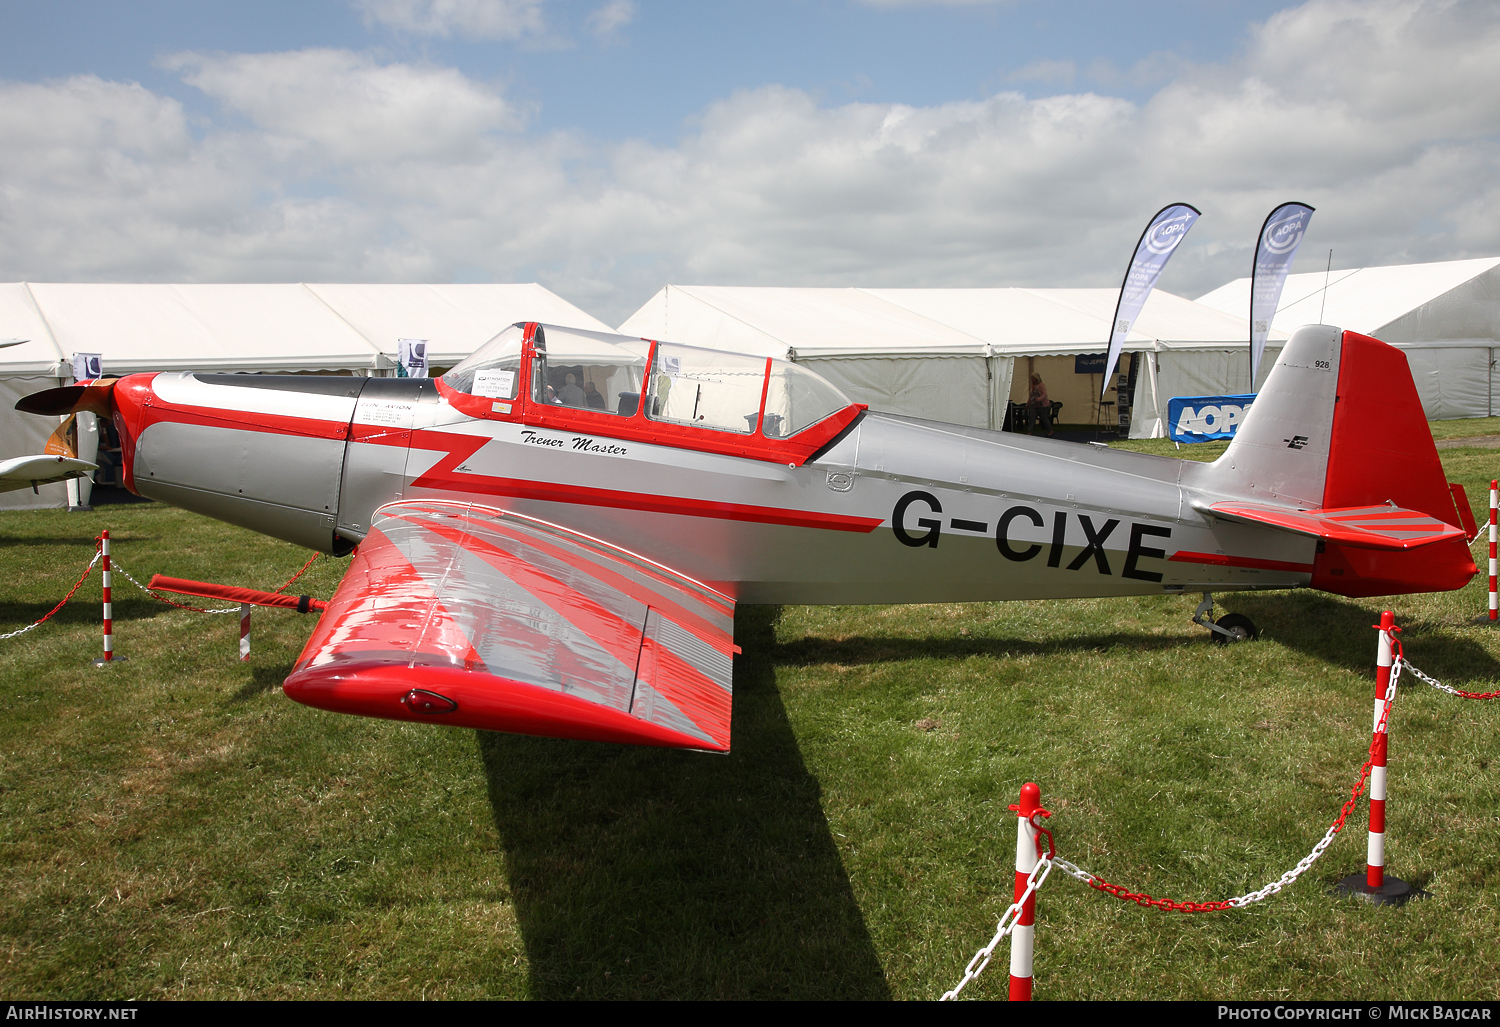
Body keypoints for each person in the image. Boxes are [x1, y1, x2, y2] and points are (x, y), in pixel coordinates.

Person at [1026, 372, 1053, 436]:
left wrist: (1039, 399)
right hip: (1033, 404)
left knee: (1044, 418)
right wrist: (1028, 403)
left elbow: (1045, 394)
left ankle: (1050, 430)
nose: (1032, 379)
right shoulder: (1033, 386)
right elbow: (1031, 395)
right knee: (1032, 418)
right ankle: (1030, 431)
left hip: (1041, 405)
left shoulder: (1041, 385)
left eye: (1033, 378)